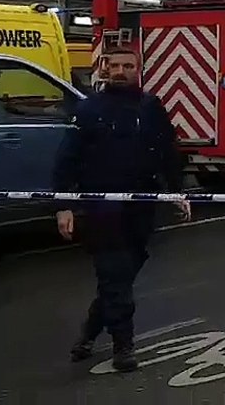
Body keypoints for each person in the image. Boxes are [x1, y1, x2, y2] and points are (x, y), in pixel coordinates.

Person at [53, 47, 191, 372]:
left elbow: (169, 153)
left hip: (141, 208)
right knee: (115, 277)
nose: (119, 71)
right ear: (103, 68)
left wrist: (178, 192)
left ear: (138, 69)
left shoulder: (151, 107)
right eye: (113, 65)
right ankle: (123, 347)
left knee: (121, 277)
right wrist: (63, 206)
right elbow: (65, 161)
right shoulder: (88, 110)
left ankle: (88, 334)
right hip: (102, 209)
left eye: (127, 65)